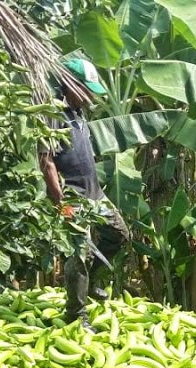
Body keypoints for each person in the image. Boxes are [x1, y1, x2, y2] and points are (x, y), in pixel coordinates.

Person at [39, 58, 130, 329]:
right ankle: (76, 315)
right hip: (73, 196)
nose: (90, 96)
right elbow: (46, 161)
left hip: (95, 194)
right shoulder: (53, 114)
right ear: (70, 84)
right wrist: (61, 202)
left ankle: (90, 283)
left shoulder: (79, 115)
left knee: (120, 234)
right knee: (79, 254)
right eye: (86, 90)